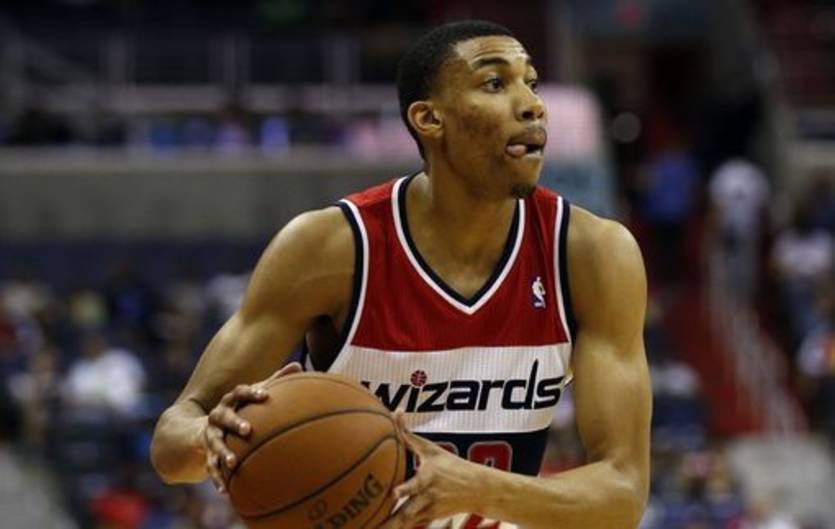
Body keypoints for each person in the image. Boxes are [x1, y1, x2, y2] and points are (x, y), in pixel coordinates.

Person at [150, 20, 651, 529]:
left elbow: (622, 494)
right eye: (495, 83)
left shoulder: (592, 254)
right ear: (429, 118)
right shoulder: (332, 248)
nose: (532, 105)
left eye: (532, 83)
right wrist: (208, 438)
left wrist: (477, 488)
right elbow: (171, 446)